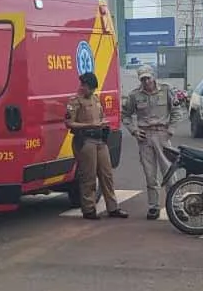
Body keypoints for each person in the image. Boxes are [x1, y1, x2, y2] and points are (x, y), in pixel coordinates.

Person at [122, 64, 185, 220]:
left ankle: (177, 206)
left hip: (163, 134)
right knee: (150, 175)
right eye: (143, 79)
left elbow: (177, 111)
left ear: (153, 77)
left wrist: (171, 129)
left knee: (170, 173)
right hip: (145, 137)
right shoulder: (134, 95)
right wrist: (134, 131)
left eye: (148, 78)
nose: (146, 82)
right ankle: (153, 207)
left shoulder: (166, 90)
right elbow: (125, 115)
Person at [65, 72, 129, 220]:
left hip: (100, 140)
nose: (83, 88)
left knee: (107, 175)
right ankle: (89, 209)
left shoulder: (95, 99)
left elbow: (101, 117)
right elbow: (69, 123)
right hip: (85, 140)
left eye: (86, 86)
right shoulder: (75, 101)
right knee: (88, 176)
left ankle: (113, 208)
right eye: (83, 86)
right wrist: (90, 125)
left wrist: (103, 124)